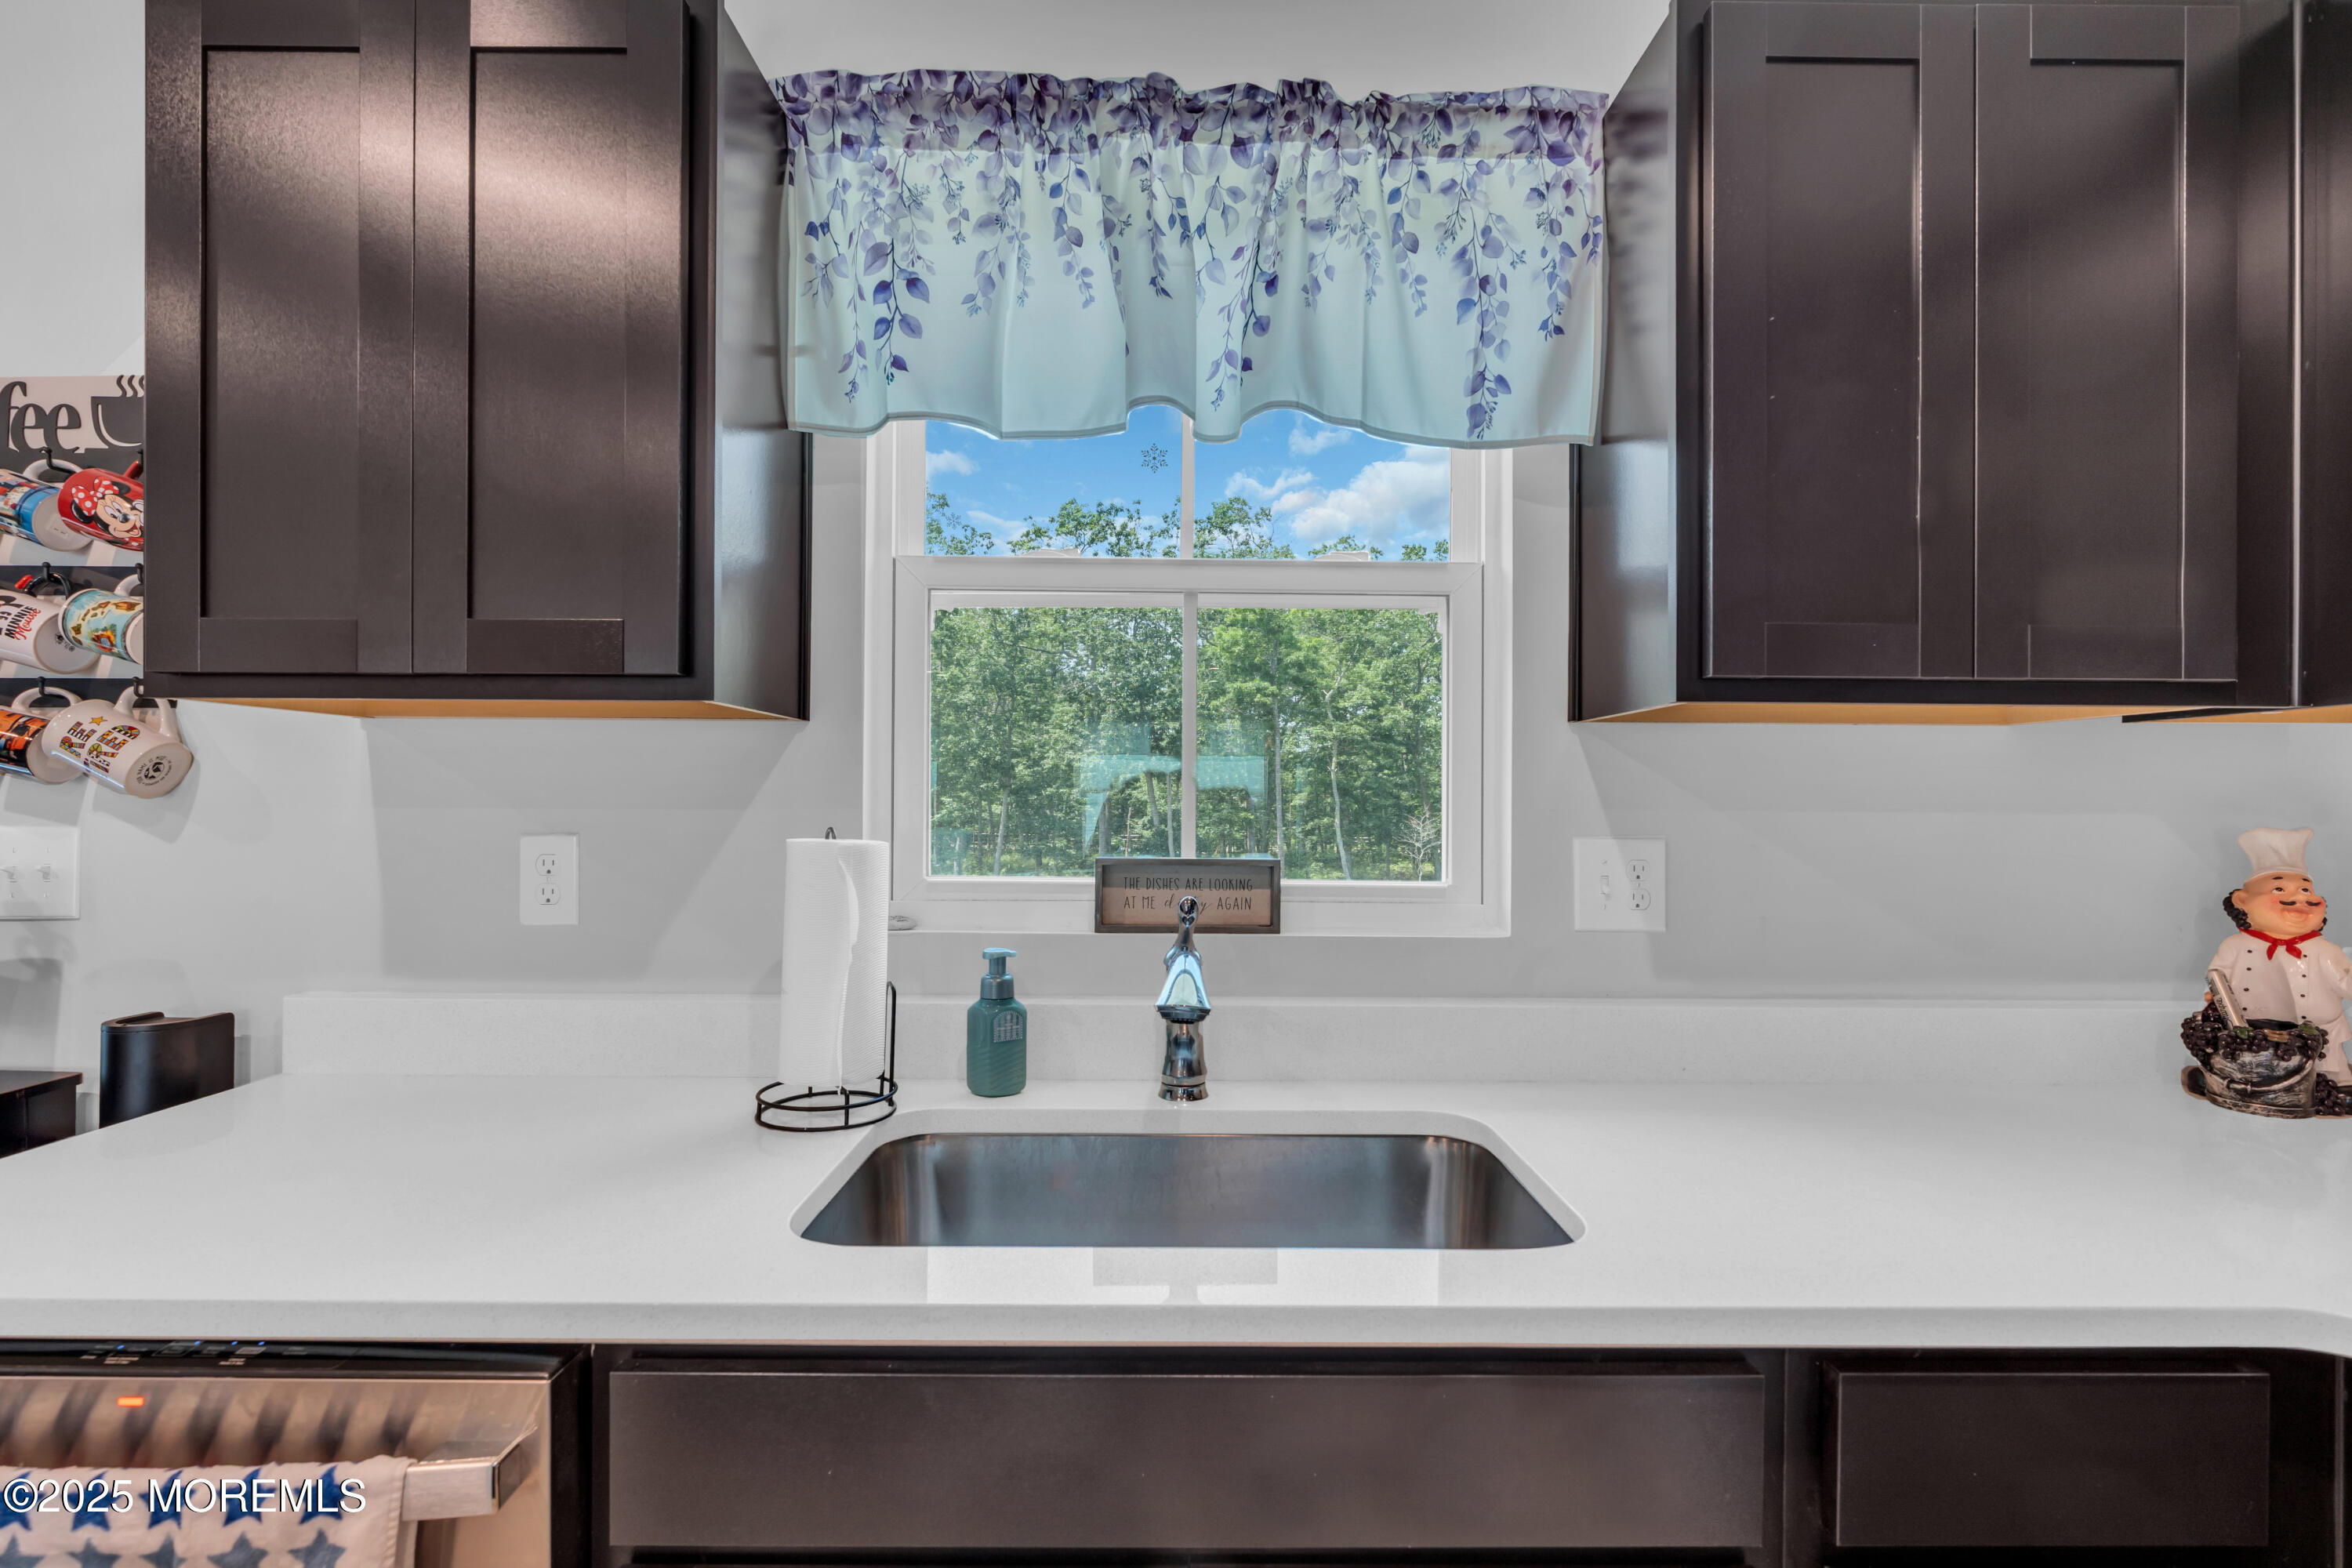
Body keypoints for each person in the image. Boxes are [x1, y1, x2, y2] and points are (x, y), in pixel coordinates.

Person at [2210, 827, 2352, 1085]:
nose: (2299, 897)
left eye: (2306, 890)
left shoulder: (2325, 951)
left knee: (2331, 1076)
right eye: (2278, 889)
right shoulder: (2234, 946)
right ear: (2243, 901)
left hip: (2321, 1033)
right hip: (2254, 1035)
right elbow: (2217, 981)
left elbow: (2346, 986)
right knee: (2264, 1075)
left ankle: (2333, 1090)